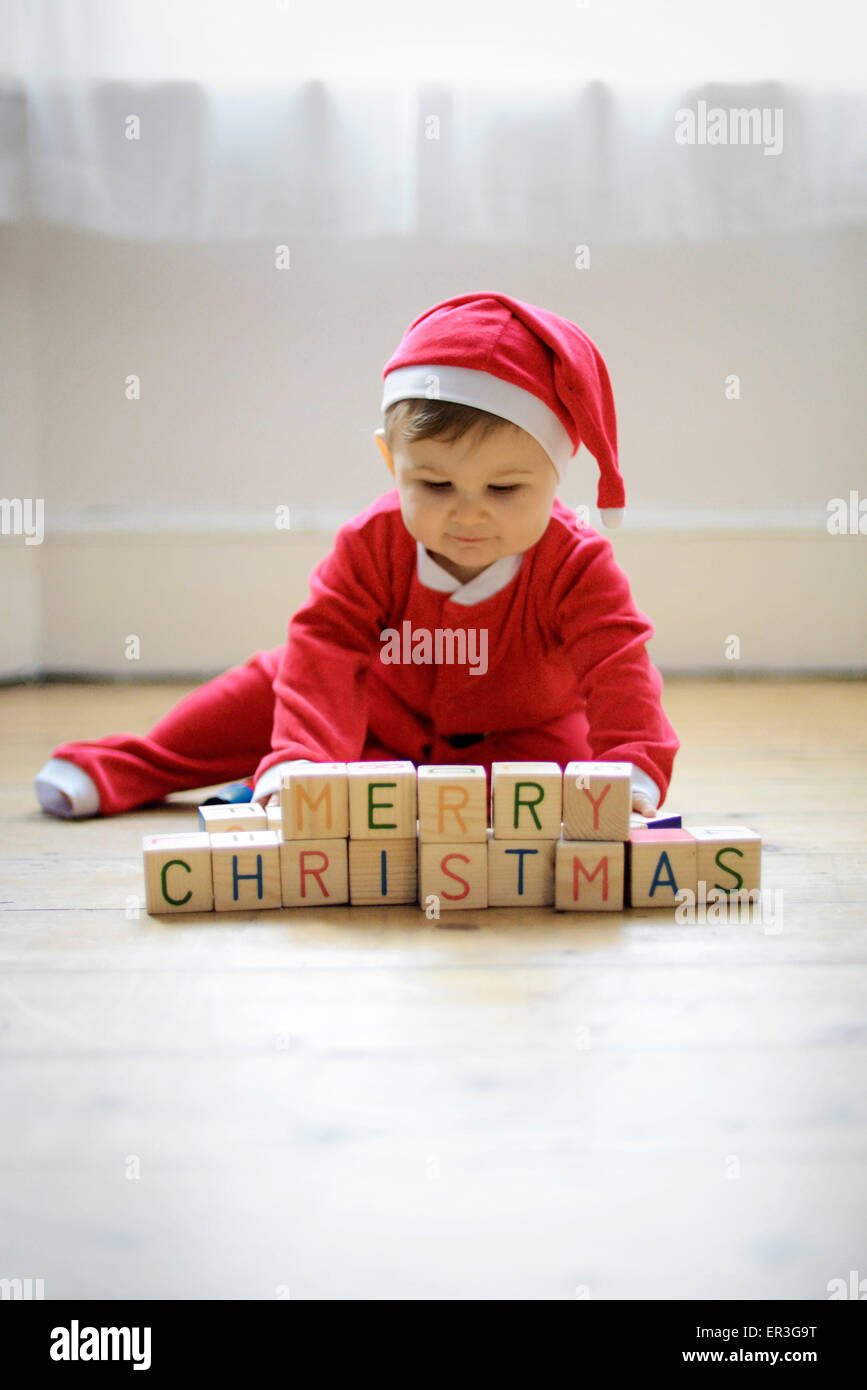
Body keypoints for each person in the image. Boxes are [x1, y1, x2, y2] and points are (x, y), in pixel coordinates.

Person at [34, 291, 678, 821]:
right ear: (389, 462)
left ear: (557, 473)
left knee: (531, 800)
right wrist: (303, 760)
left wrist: (630, 765)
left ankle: (335, 784)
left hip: (519, 734)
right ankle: (131, 766)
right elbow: (327, 644)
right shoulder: (372, 541)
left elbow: (619, 665)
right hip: (371, 706)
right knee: (271, 684)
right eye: (435, 485)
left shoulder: (577, 565)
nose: (469, 512)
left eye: (505, 489)